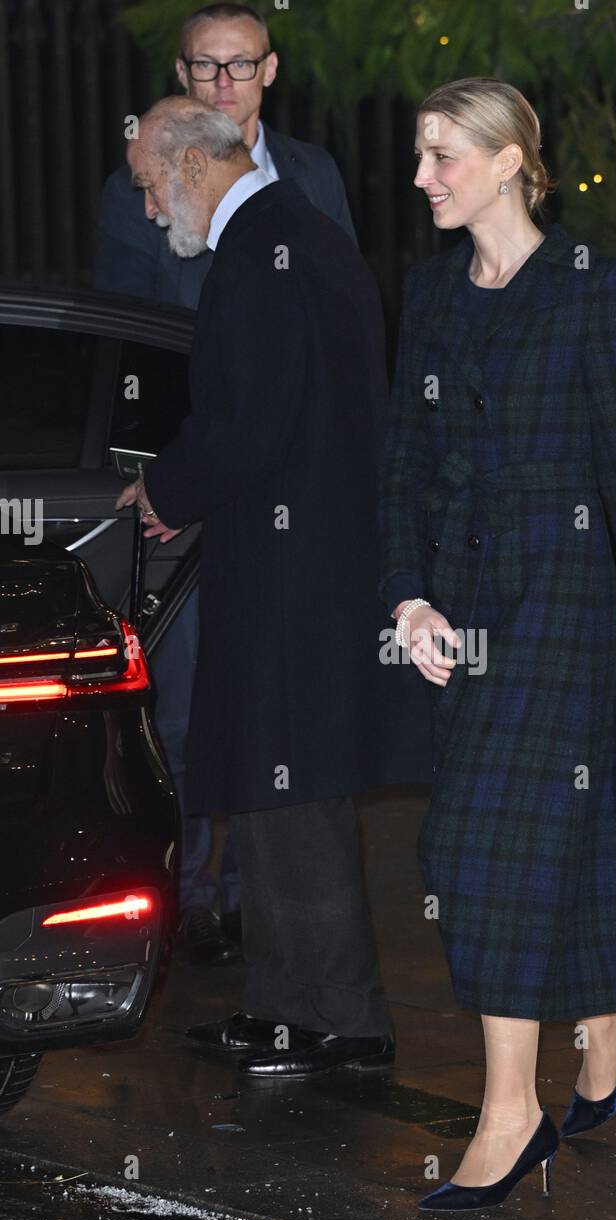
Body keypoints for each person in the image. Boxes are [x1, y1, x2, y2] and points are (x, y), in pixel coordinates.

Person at [379, 77, 616, 1211]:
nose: (421, 177)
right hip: (464, 616)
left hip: (566, 607)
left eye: (441, 157)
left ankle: (509, 1113)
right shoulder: (428, 297)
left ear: (512, 159)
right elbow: (403, 471)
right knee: (536, 843)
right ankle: (609, 1004)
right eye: (419, 157)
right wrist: (407, 599)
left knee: (482, 850)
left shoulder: (594, 289)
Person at [116, 96, 430, 1077]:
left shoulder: (263, 251)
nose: (146, 206)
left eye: (147, 184)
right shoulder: (299, 235)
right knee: (267, 783)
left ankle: (344, 1020)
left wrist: (165, 487)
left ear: (193, 166)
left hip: (295, 573)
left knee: (294, 795)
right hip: (298, 561)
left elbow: (247, 426)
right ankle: (286, 1007)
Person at [95, 3, 356, 966]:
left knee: (272, 697)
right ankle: (192, 894)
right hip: (191, 477)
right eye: (204, 69)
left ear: (269, 72)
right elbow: (125, 341)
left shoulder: (313, 179)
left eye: (238, 67)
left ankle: (263, 906)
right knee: (188, 689)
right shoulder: (138, 185)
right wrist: (170, 477)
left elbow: (333, 330)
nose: (222, 85)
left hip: (272, 483)